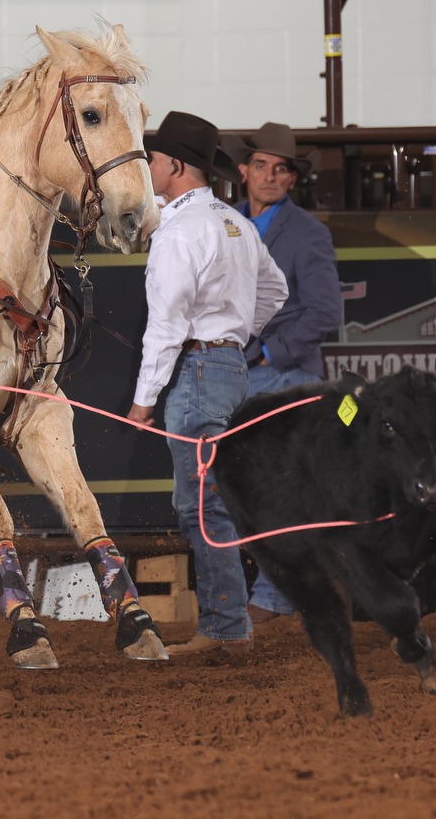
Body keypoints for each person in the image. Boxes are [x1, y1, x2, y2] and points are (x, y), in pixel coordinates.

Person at [124, 112, 287, 658]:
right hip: (231, 371)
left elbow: (167, 324)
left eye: (153, 160)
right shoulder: (233, 222)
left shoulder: (179, 231)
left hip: (197, 376)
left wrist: (144, 400)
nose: (148, 168)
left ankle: (224, 627)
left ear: (174, 166)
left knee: (202, 506)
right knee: (221, 499)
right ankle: (229, 620)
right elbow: (276, 291)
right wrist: (233, 336)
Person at [221, 122, 343, 624]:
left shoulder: (309, 234)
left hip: (283, 376)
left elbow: (324, 312)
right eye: (262, 166)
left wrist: (270, 353)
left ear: (292, 180)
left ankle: (273, 600)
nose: (270, 176)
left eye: (281, 169)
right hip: (236, 373)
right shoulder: (224, 222)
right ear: (245, 171)